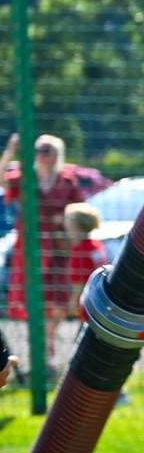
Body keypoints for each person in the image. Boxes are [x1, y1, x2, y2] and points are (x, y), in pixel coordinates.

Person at [3, 133, 108, 368]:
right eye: (39, 150)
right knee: (32, 301)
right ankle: (42, 356)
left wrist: (63, 220)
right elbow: (2, 181)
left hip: (60, 251)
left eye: (48, 150)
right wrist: (10, 151)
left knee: (59, 302)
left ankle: (47, 344)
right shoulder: (24, 178)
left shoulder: (67, 181)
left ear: (57, 154)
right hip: (30, 250)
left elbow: (81, 210)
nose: (42, 155)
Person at [63, 201, 110, 321]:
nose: (65, 224)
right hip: (101, 296)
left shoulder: (80, 250)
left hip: (87, 298)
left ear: (75, 225)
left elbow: (80, 281)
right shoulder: (96, 245)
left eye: (67, 220)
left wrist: (73, 302)